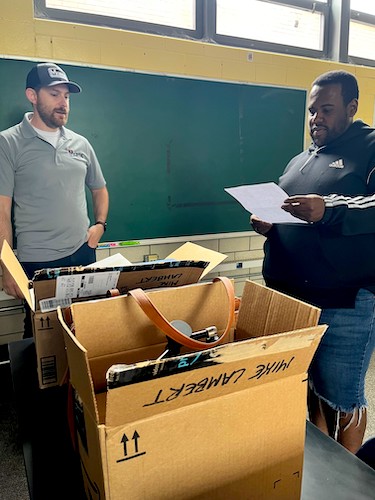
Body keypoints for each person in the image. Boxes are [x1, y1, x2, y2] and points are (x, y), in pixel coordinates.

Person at [251, 70, 375, 454]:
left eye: (326, 109)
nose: (315, 119)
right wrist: (270, 224)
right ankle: (321, 466)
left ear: (352, 107)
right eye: (311, 111)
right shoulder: (300, 159)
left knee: (342, 398)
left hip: (343, 302)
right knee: (309, 387)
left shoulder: (369, 146)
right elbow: (294, 216)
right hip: (291, 296)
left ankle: (348, 480)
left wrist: (330, 209)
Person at [0, 62, 109, 335]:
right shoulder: (9, 142)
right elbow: (2, 210)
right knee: (42, 335)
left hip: (82, 252)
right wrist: (7, 266)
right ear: (32, 96)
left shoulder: (80, 143)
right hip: (37, 261)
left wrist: (99, 225)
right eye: (54, 94)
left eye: (67, 96)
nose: (63, 103)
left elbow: (99, 189)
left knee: (85, 330)